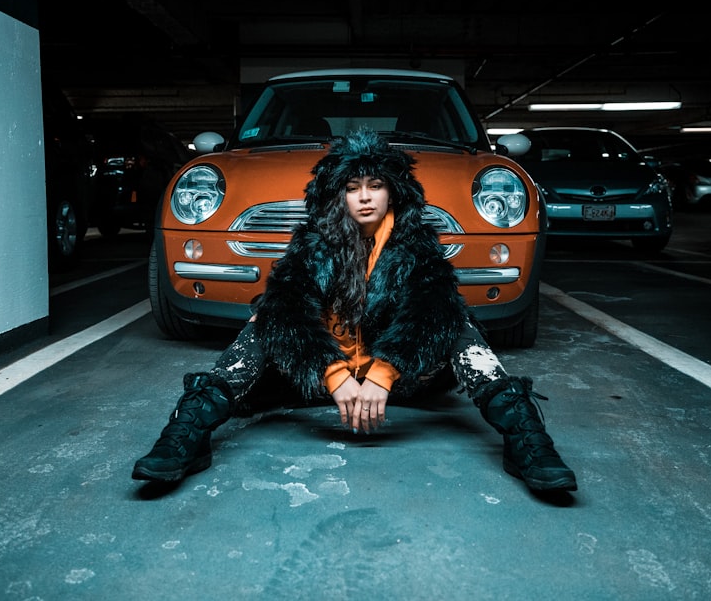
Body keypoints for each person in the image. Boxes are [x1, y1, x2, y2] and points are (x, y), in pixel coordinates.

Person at [132, 129, 577, 492]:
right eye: (352, 187)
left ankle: (526, 438)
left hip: (398, 383)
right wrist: (332, 374)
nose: (365, 197)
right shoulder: (314, 241)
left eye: (376, 185)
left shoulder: (414, 242)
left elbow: (430, 311)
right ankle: (188, 431)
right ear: (338, 194)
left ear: (392, 191)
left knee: (453, 317)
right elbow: (289, 311)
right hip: (324, 380)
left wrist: (384, 374)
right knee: (269, 314)